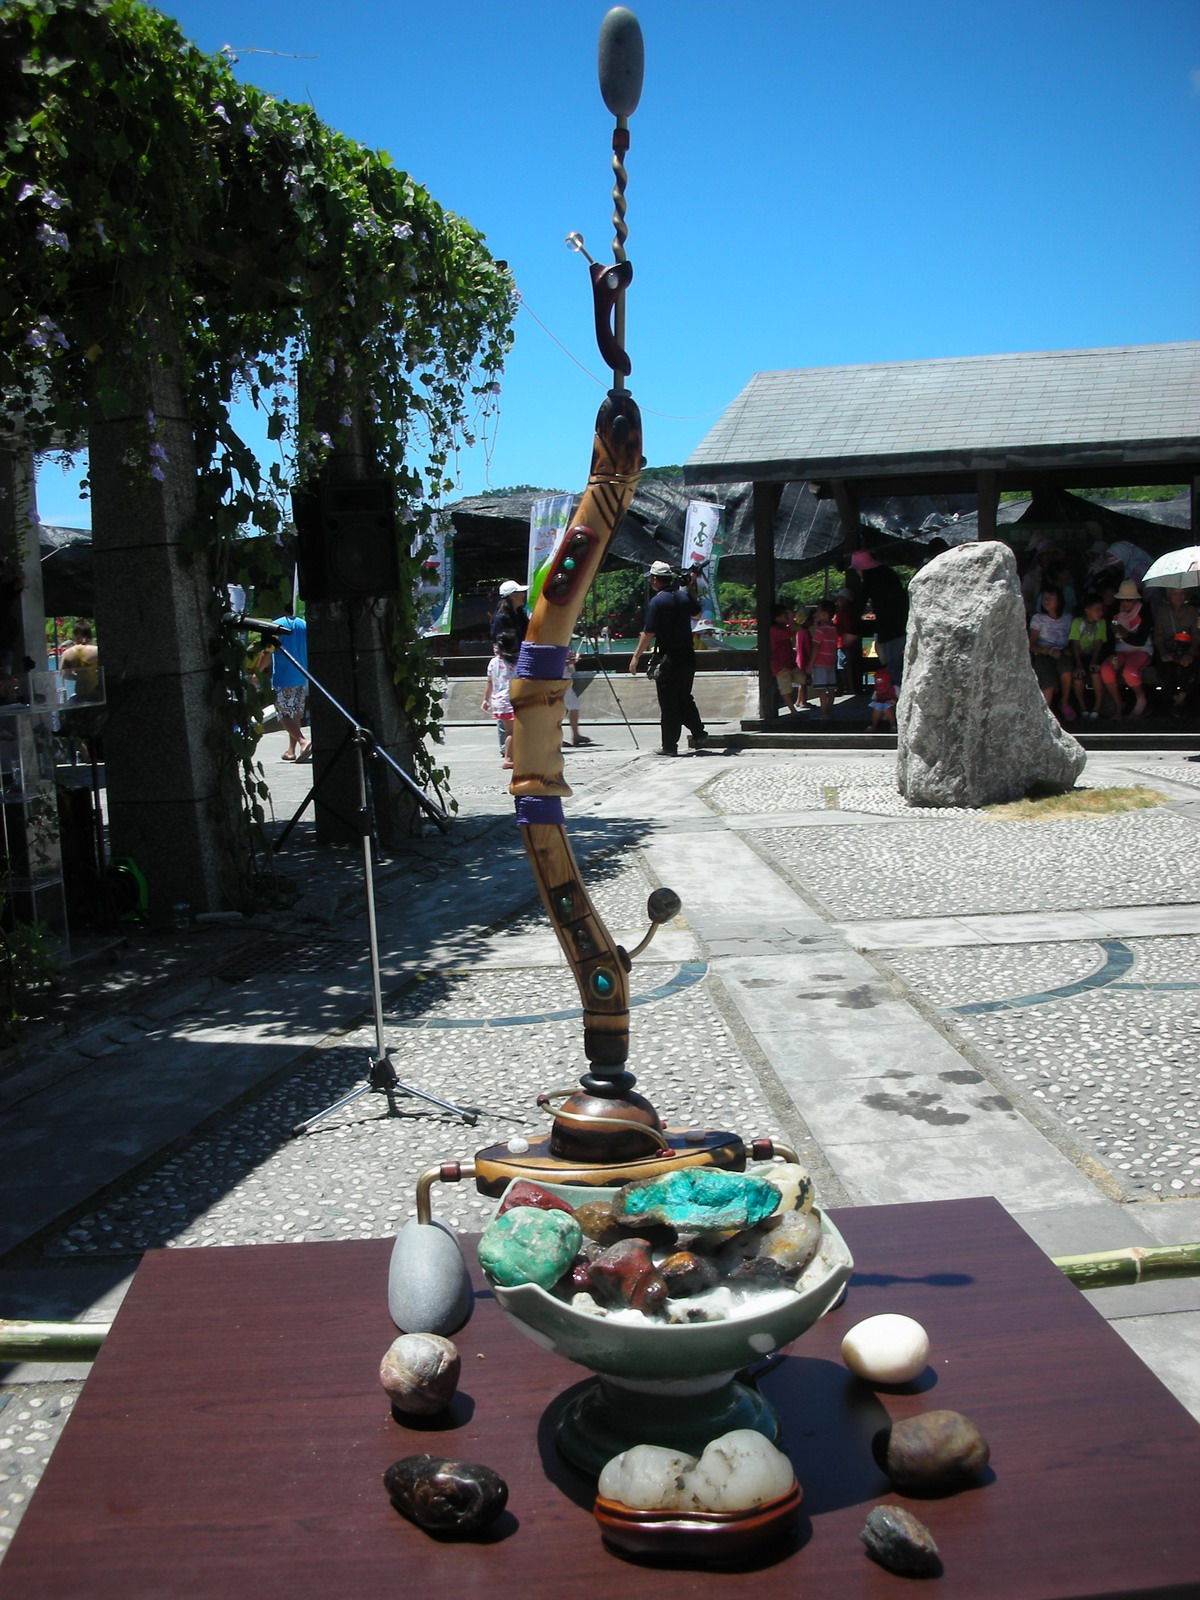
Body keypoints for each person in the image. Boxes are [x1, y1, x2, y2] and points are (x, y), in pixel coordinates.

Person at [628, 560, 706, 756]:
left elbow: (648, 632)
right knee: (684, 696)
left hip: (667, 657)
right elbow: (698, 613)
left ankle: (670, 746)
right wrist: (689, 586)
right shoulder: (682, 596)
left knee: (669, 702)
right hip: (687, 655)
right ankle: (699, 732)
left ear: (655, 580)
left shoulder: (657, 602)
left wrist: (636, 656)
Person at [850, 551, 909, 685]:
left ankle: (894, 692)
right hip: (900, 624)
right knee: (894, 661)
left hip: (889, 627)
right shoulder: (888, 573)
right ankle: (895, 689)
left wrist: (852, 630)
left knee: (891, 664)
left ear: (861, 568)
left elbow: (859, 604)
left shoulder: (870, 579)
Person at [1097, 578, 1153, 718]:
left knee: (1129, 671)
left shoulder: (1145, 611)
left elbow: (1140, 640)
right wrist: (1110, 653)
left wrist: (1124, 632)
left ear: (1135, 599)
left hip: (1141, 650)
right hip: (1120, 650)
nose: (1124, 603)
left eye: (1128, 600)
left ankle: (1141, 700)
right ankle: (1118, 705)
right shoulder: (1114, 611)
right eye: (1122, 599)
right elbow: (1108, 637)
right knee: (1106, 669)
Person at [262, 607, 309, 760]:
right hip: (301, 675)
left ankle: (303, 741)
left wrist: (257, 672)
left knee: (283, 714)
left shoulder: (275, 626)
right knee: (294, 713)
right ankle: (291, 751)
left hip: (283, 677)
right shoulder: (303, 624)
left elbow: (267, 652)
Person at [1028, 586, 1075, 720]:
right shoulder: (1038, 618)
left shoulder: (1068, 618)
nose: (1046, 601)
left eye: (1050, 598)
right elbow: (1030, 645)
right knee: (1048, 679)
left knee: (1066, 668)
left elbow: (1073, 639)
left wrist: (1069, 649)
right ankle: (1044, 715)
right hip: (1043, 654)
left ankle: (1064, 703)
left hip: (1061, 653)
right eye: (1044, 598)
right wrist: (1047, 651)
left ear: (1059, 601)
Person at [1153, 588, 1199, 718]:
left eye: (1182, 593)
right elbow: (1158, 636)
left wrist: (1190, 654)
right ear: (1169, 596)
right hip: (1168, 649)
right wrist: (1163, 653)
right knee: (1163, 668)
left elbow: (1196, 637)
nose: (1179, 596)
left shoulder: (1192, 611)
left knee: (1192, 667)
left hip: (1187, 650)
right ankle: (1177, 701)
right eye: (1175, 593)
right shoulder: (1162, 611)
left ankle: (1180, 701)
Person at [1068, 595, 1111, 719]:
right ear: (1087, 610)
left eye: (1101, 610)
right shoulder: (1077, 622)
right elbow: (1075, 644)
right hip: (1079, 656)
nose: (1100, 613)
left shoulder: (1101, 623)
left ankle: (1097, 707)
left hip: (1094, 656)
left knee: (1096, 673)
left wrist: (1094, 661)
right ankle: (1083, 708)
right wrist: (1078, 665)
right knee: (1078, 677)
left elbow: (1098, 643)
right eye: (1097, 610)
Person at [482, 629, 519, 768]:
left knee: (509, 731)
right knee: (512, 732)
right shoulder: (515, 662)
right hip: (510, 701)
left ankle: (513, 755)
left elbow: (489, 682)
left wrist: (485, 700)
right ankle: (508, 759)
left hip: (498, 701)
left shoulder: (493, 662)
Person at [769, 602, 803, 715]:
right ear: (777, 618)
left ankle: (798, 703)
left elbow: (795, 629)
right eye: (785, 615)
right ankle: (793, 711)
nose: (787, 617)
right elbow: (790, 633)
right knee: (785, 689)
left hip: (788, 663)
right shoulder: (774, 630)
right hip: (780, 665)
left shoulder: (781, 628)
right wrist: (791, 620)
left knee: (802, 679)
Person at [810, 598, 839, 719]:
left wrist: (810, 665)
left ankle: (823, 713)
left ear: (824, 614)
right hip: (830, 663)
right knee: (831, 688)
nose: (816, 614)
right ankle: (829, 710)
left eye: (818, 611)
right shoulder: (834, 629)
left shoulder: (820, 630)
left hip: (820, 663)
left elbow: (815, 647)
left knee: (821, 689)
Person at [59, 620, 100, 700]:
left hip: (80, 692)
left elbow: (63, 674)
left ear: (74, 635)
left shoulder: (67, 653)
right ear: (90, 635)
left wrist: (77, 676)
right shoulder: (96, 651)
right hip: (96, 693)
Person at [564, 649, 593, 746]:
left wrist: (574, 656)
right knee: (559, 710)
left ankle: (576, 735)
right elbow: (561, 662)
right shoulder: (555, 646)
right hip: (560, 681)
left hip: (566, 681)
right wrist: (574, 659)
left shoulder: (565, 646)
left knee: (574, 706)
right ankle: (556, 738)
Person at [491, 580, 529, 645]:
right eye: (520, 592)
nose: (524, 594)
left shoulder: (520, 613)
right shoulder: (500, 618)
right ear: (512, 595)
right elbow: (500, 643)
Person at [868, 662, 897, 731]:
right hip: (881, 707)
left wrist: (894, 701)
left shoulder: (895, 688)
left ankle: (893, 725)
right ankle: (874, 725)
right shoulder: (877, 691)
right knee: (877, 708)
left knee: (887, 708)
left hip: (892, 707)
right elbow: (874, 699)